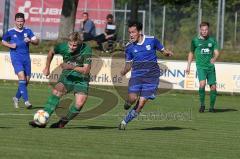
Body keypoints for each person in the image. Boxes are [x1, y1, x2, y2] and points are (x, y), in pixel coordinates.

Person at [29, 32, 92, 128]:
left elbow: (86, 70)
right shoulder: (62, 47)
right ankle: (42, 120)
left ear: (79, 43)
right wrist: (47, 67)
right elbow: (51, 52)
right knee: (56, 91)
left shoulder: (86, 49)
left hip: (81, 78)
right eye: (70, 44)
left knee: (79, 103)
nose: (71, 47)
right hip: (68, 75)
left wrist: (70, 66)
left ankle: (62, 123)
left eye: (75, 45)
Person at [118, 21, 173, 130]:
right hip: (137, 76)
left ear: (139, 32)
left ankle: (124, 122)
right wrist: (124, 71)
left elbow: (162, 50)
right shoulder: (129, 47)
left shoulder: (151, 40)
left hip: (151, 77)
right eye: (129, 32)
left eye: (133, 32)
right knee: (132, 98)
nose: (131, 35)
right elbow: (128, 64)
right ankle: (128, 102)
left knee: (141, 103)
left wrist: (167, 53)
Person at [1, 12, 39, 109]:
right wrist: (10, 45)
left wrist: (30, 40)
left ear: (24, 21)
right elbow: (3, 41)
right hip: (16, 57)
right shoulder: (10, 32)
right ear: (15, 21)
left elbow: (36, 41)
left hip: (26, 58)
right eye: (18, 21)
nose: (19, 23)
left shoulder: (28, 31)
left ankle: (16, 97)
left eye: (21, 21)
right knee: (21, 76)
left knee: (26, 81)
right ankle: (26, 101)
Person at [186, 22, 220, 113]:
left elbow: (216, 52)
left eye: (206, 30)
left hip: (210, 67)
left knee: (213, 87)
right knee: (202, 84)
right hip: (201, 67)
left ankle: (212, 107)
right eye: (202, 30)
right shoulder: (195, 41)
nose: (204, 31)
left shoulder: (212, 40)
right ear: (200, 30)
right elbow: (191, 53)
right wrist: (188, 66)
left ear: (208, 30)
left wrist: (214, 58)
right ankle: (202, 105)